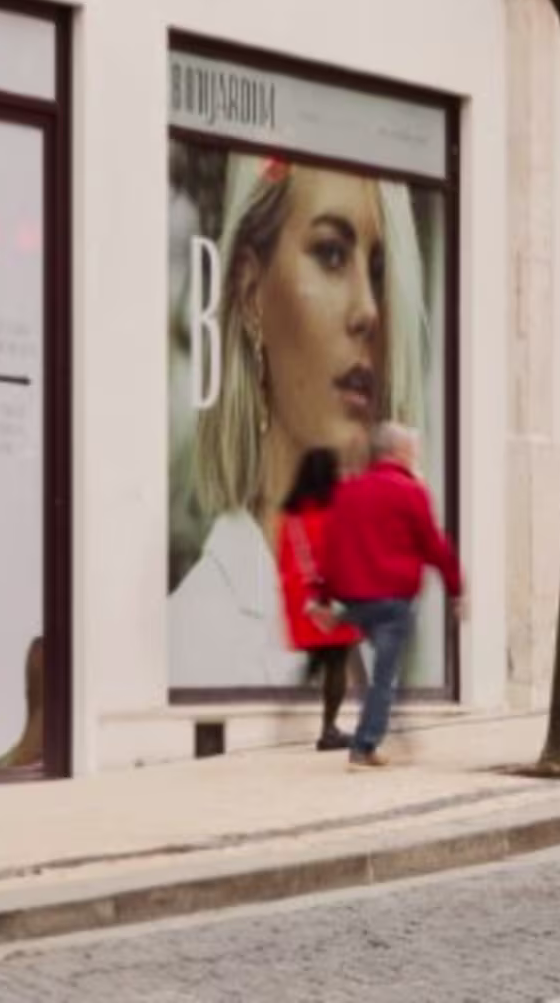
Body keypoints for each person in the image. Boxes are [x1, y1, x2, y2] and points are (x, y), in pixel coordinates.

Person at [165, 156, 428, 692]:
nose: (369, 311)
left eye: (379, 270)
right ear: (250, 290)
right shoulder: (192, 639)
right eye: (332, 253)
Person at [322, 421, 462, 766]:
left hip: (356, 598)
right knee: (386, 676)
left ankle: (341, 618)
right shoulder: (410, 491)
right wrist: (456, 589)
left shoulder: (349, 490)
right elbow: (436, 546)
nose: (416, 457)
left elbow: (332, 547)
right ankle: (364, 746)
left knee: (377, 670)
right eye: (412, 451)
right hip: (392, 602)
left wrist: (322, 595)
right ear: (398, 452)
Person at [269, 447, 360, 749]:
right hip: (334, 598)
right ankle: (328, 728)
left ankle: (291, 710)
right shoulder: (339, 508)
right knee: (336, 661)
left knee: (318, 659)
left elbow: (284, 561)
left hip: (304, 601)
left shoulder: (291, 515)